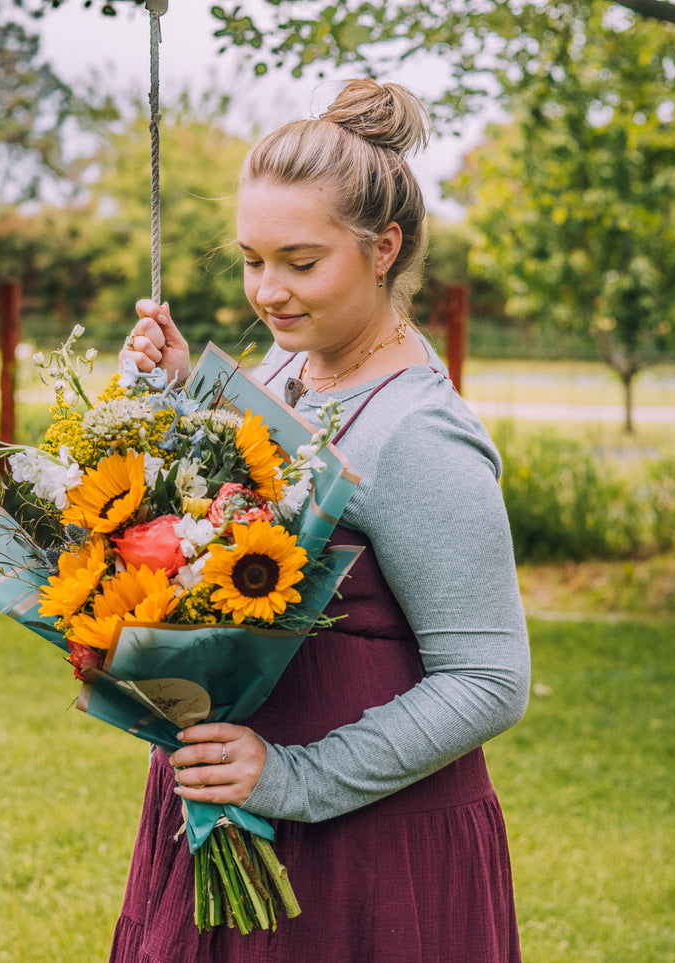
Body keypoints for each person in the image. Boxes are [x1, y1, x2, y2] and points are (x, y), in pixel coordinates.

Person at [114, 78, 530, 963]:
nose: (268, 290)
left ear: (382, 249)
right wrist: (182, 394)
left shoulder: (422, 434)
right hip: (227, 802)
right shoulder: (285, 369)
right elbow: (240, 516)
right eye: (251, 258)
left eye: (300, 263)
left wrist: (293, 776)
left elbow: (490, 678)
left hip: (363, 848)